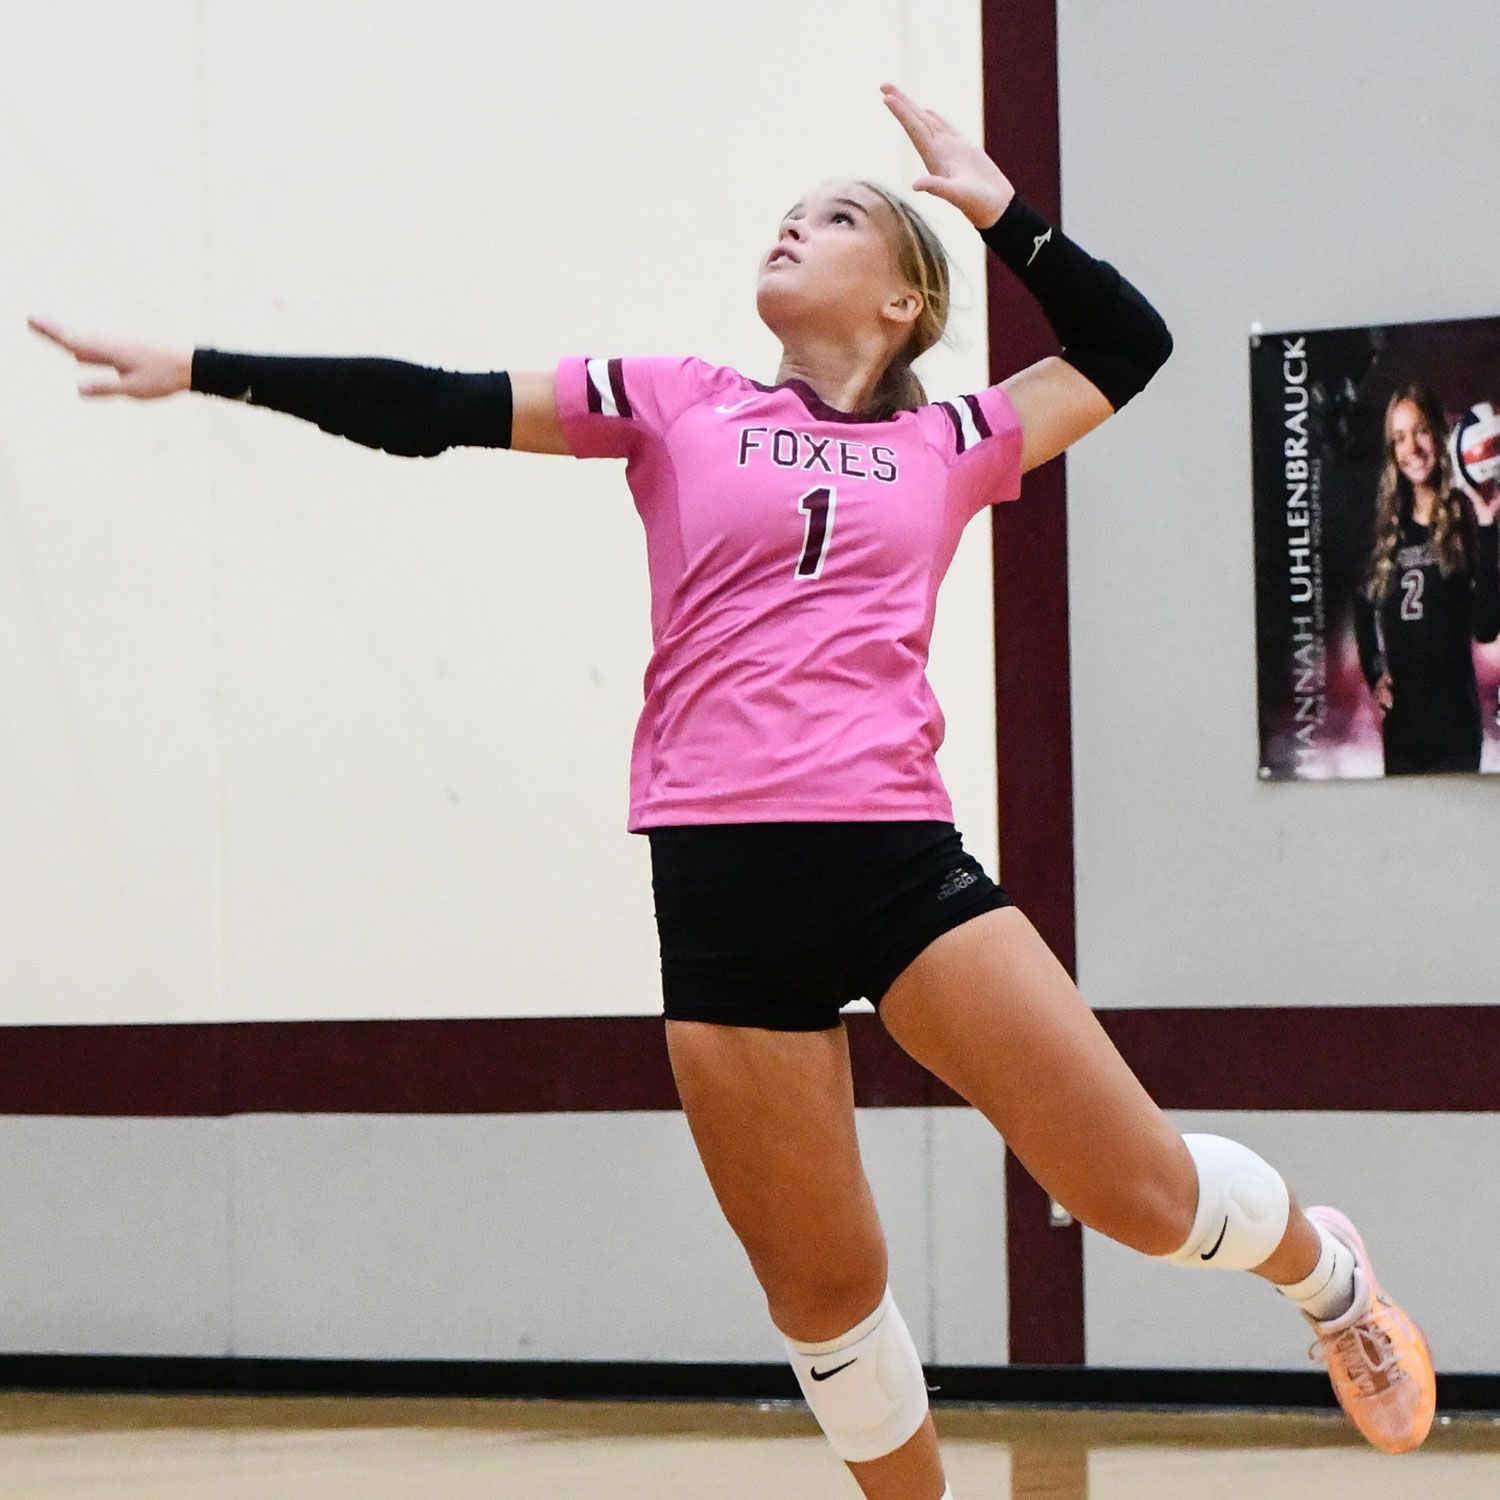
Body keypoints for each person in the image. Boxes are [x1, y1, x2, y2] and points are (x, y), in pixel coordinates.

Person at [29, 80, 1436, 1499]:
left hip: (895, 861)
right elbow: (432, 408)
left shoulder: (952, 444)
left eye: (836, 220)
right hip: (717, 876)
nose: (793, 227)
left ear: (901, 302)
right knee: (825, 1297)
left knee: (1140, 1199)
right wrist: (210, 366)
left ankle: (1328, 1283)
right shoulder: (672, 400)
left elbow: (1133, 345)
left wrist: (991, 199)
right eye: (789, 212)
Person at [1355, 383, 1500, 774]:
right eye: (1399, 438)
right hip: (1402, 729)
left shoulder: (1467, 522)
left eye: (1420, 431)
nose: (1412, 449)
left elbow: (1486, 629)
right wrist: (1374, 673)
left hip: (1455, 725)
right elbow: (1362, 605)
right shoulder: (1388, 529)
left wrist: (1488, 521)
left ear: (1440, 433)